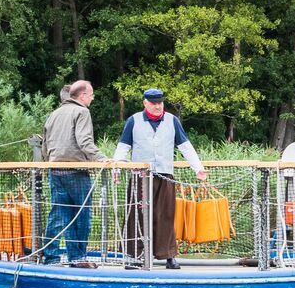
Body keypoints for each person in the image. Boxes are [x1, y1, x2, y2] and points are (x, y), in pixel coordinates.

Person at [112, 88, 207, 269]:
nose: (157, 106)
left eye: (160, 103)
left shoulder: (172, 120)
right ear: (145, 103)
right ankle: (134, 256)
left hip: (165, 175)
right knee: (136, 215)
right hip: (139, 176)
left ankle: (168, 255)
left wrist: (198, 169)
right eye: (154, 103)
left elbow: (185, 146)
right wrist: (116, 170)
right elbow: (123, 147)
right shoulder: (134, 120)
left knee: (166, 215)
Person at [40, 80, 110, 266]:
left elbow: (44, 144)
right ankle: (77, 257)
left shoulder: (54, 114)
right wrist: (101, 158)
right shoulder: (82, 111)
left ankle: (51, 257)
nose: (93, 97)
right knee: (81, 216)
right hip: (76, 172)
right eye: (91, 94)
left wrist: (50, 161)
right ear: (82, 96)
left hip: (54, 170)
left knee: (57, 214)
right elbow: (84, 141)